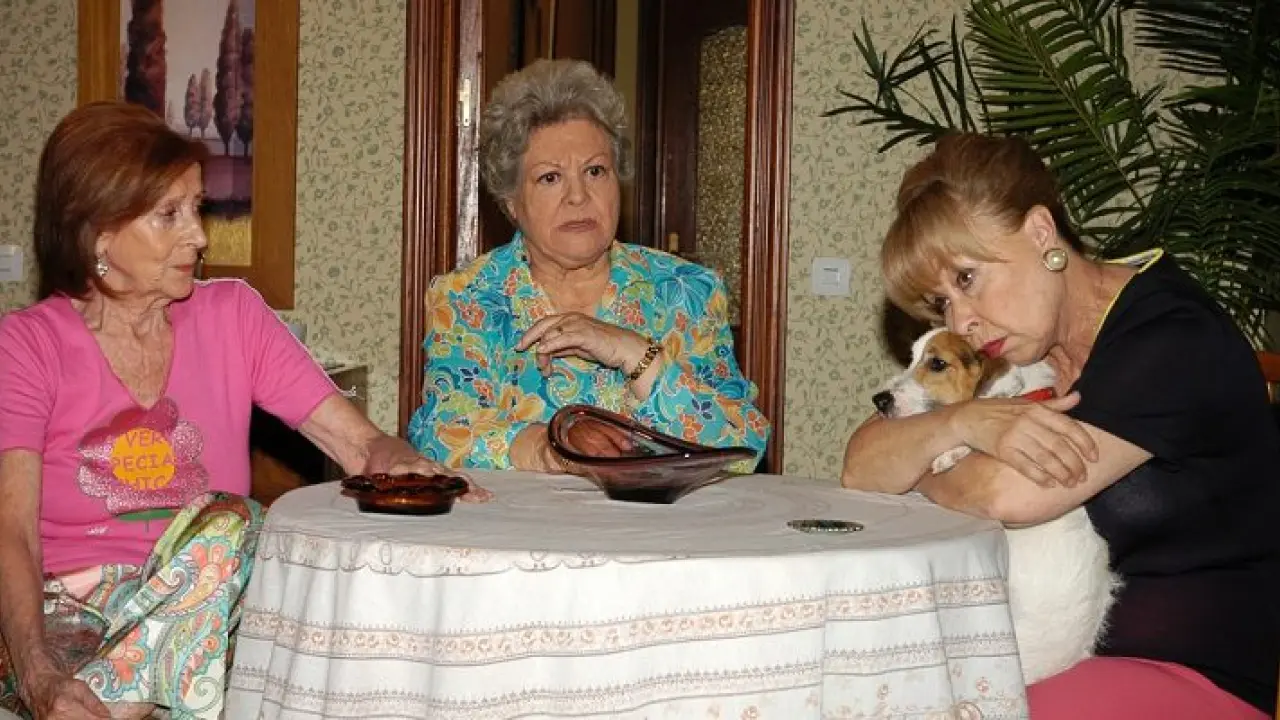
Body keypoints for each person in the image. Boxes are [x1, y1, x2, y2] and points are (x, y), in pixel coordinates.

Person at [0, 101, 484, 720]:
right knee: (235, 541)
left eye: (196, 208)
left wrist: (407, 464)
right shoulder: (27, 345)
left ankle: (121, 705)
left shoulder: (233, 316)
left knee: (239, 527)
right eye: (169, 214)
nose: (199, 236)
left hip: (212, 602)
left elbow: (359, 445)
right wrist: (37, 671)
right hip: (74, 623)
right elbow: (11, 529)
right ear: (99, 234)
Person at [840, 132, 1279, 719]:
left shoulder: (1171, 338)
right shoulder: (1024, 350)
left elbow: (1012, 494)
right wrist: (965, 422)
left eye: (967, 278)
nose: (962, 322)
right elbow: (863, 463)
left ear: (1041, 232)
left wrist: (931, 455)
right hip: (1057, 659)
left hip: (1194, 674)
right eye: (942, 303)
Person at [407, 59, 770, 471]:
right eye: (550, 178)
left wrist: (633, 352)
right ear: (511, 202)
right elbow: (439, 436)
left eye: (595, 171)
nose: (578, 196)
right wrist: (554, 446)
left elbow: (744, 446)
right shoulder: (468, 297)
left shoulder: (688, 291)